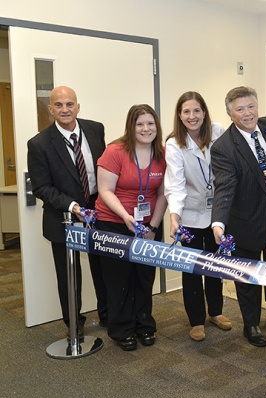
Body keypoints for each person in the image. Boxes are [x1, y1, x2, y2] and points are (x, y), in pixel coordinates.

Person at [210, 86, 266, 347]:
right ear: (230, 114)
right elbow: (224, 187)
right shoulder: (224, 147)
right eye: (240, 109)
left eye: (251, 107)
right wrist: (218, 222)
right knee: (248, 275)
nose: (248, 114)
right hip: (244, 219)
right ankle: (252, 324)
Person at [27, 85, 108, 340]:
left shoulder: (95, 130)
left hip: (99, 214)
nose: (65, 109)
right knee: (69, 275)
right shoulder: (39, 144)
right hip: (63, 218)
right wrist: (74, 207)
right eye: (59, 105)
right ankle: (74, 322)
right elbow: (42, 187)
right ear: (50, 109)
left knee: (104, 268)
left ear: (78, 106)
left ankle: (108, 314)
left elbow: (104, 171)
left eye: (69, 104)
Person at [95, 104, 167, 351]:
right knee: (119, 279)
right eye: (140, 124)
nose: (146, 129)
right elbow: (105, 190)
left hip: (147, 225)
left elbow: (163, 193)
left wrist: (154, 227)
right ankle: (121, 329)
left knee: (144, 277)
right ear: (130, 126)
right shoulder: (115, 152)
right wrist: (126, 216)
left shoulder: (162, 154)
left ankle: (144, 325)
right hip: (114, 222)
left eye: (150, 123)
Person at [164, 91, 233, 341]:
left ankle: (215, 312)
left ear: (204, 112)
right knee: (192, 268)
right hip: (190, 213)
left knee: (215, 264)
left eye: (196, 110)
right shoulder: (174, 144)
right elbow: (176, 185)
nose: (192, 116)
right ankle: (196, 320)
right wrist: (174, 217)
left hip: (217, 211)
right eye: (186, 112)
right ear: (180, 116)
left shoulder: (217, 131)